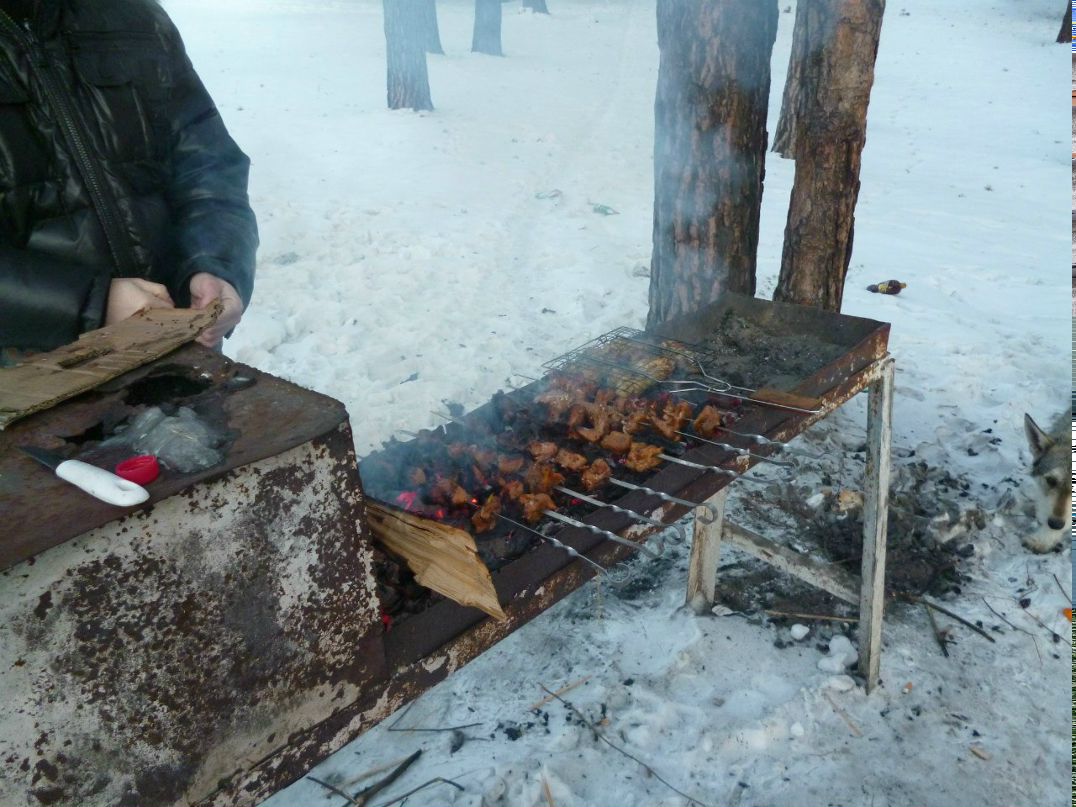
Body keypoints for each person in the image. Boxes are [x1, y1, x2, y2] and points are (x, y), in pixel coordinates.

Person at [0, 0, 257, 358]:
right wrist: (91, 303)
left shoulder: (133, 14)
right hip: (32, 369)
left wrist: (215, 264)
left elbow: (207, 160)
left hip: (177, 339)